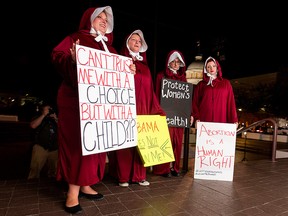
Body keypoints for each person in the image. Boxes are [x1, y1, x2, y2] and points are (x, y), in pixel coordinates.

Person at [51, 6, 128, 214]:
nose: (104, 20)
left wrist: (129, 70)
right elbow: (57, 55)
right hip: (75, 102)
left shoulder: (110, 49)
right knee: (79, 144)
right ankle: (72, 193)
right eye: (99, 17)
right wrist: (72, 60)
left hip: (100, 107)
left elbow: (117, 77)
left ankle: (85, 184)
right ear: (89, 20)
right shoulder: (76, 38)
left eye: (106, 18)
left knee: (95, 146)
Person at [108, 29, 166, 187]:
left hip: (142, 111)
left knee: (142, 143)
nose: (137, 42)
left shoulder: (145, 68)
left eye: (139, 41)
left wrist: (158, 111)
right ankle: (123, 176)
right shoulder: (119, 62)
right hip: (125, 109)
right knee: (125, 144)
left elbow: (151, 92)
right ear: (127, 43)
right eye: (133, 39)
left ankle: (139, 176)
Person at [152, 50, 188, 177]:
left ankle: (175, 167)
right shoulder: (161, 76)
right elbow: (156, 94)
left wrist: (189, 113)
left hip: (179, 115)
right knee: (164, 140)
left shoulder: (183, 78)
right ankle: (162, 169)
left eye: (178, 61)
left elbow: (186, 97)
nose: (175, 63)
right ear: (169, 62)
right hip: (165, 115)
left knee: (177, 142)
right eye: (173, 61)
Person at [192, 56, 238, 128]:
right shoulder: (201, 85)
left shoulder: (226, 83)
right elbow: (195, 103)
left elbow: (231, 103)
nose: (211, 68)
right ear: (205, 69)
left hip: (221, 120)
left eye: (213, 66)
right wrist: (197, 118)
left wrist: (234, 119)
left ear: (217, 67)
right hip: (204, 121)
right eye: (208, 67)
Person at [28, 103, 58, 179]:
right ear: (42, 110)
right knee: (35, 170)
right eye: (47, 109)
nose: (49, 111)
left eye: (50, 109)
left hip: (54, 149)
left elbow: (65, 129)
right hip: (40, 147)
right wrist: (43, 115)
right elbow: (33, 125)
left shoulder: (55, 119)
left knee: (54, 171)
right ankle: (31, 186)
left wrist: (56, 118)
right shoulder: (38, 117)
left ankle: (50, 186)